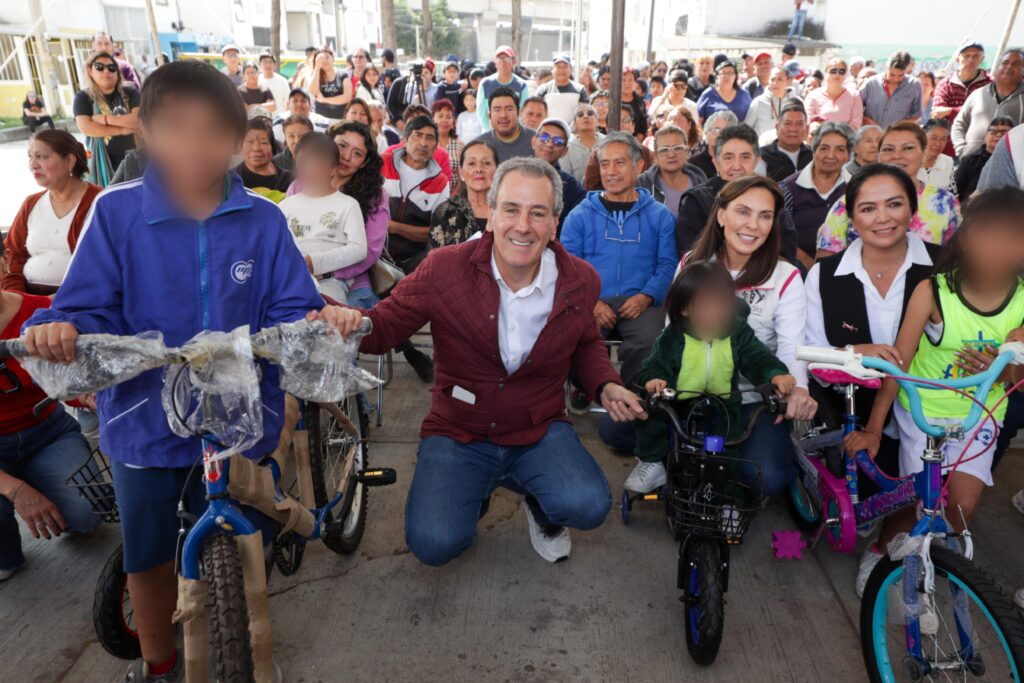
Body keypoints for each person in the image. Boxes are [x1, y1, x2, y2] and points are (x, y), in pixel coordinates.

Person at [21, 59, 328, 683]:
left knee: (246, 535)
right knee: (149, 555)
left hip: (241, 412)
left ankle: (240, 630)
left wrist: (314, 322)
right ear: (146, 133)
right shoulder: (117, 213)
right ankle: (158, 662)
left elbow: (292, 304)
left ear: (237, 137)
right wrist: (58, 326)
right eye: (176, 127)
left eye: (213, 130)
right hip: (143, 418)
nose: (195, 144)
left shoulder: (263, 219)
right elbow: (83, 304)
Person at [323, 157, 646, 566]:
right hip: (459, 430)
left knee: (588, 506)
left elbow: (585, 343)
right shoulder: (444, 268)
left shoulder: (580, 280)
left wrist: (605, 383)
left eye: (538, 213)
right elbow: (385, 325)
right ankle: (474, 491)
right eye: (511, 209)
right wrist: (342, 316)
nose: (523, 225)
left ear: (554, 223)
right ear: (491, 215)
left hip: (537, 427)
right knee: (434, 544)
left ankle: (537, 500)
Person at [845, 187, 1024, 595]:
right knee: (918, 499)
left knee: (962, 507)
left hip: (979, 413)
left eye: (1014, 236)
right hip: (922, 409)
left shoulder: (1021, 300)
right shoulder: (934, 291)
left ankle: (933, 554)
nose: (999, 248)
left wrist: (1002, 371)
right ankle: (882, 549)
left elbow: (1019, 374)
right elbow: (899, 361)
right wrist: (874, 429)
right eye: (989, 233)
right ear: (966, 235)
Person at [803, 164, 939, 594]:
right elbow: (810, 352)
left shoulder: (944, 268)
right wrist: (857, 351)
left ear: (912, 210)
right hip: (853, 406)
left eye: (894, 204)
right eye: (868, 208)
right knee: (862, 494)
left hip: (927, 402)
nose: (882, 218)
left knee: (930, 491)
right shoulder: (825, 275)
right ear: (851, 217)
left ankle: (883, 551)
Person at [680, 175, 816, 495]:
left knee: (767, 477)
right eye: (743, 211)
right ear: (721, 215)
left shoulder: (786, 276)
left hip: (756, 398)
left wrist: (797, 390)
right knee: (625, 433)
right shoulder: (692, 263)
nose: (753, 225)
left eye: (765, 216)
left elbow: (791, 345)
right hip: (696, 389)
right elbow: (673, 332)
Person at [626, 260, 796, 493]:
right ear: (685, 309)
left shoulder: (737, 331)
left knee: (731, 443)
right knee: (653, 416)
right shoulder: (675, 334)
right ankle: (651, 462)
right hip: (678, 399)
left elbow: (757, 357)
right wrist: (654, 378)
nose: (715, 313)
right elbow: (655, 362)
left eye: (722, 305)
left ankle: (729, 496)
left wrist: (776, 374)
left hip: (723, 400)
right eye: (704, 306)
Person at [0, 262, 101, 582]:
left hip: (46, 432)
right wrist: (17, 491)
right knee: (4, 563)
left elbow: (67, 380)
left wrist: (87, 394)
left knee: (89, 513)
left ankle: (40, 478)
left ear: (2, 263)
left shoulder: (42, 313)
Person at [561, 133, 677, 388]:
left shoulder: (660, 215)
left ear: (639, 166)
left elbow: (668, 264)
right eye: (605, 164)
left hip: (642, 302)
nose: (611, 171)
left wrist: (646, 296)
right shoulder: (579, 215)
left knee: (651, 341)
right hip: (591, 300)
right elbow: (568, 266)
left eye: (619, 163)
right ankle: (589, 388)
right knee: (575, 335)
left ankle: (632, 396)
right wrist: (591, 302)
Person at [817, 121, 960, 256]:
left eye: (907, 148)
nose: (897, 156)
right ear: (878, 156)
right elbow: (826, 259)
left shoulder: (946, 203)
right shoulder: (850, 201)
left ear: (924, 154)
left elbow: (956, 260)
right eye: (888, 149)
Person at [676, 123, 798, 260]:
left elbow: (786, 253)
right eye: (728, 157)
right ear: (715, 162)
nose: (737, 166)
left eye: (745, 157)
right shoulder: (697, 201)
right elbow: (691, 257)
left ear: (757, 161)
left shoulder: (771, 200)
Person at [4, 131, 101, 294]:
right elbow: (10, 255)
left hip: (81, 298)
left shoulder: (100, 201)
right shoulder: (31, 203)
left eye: (41, 156)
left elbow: (109, 263)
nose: (33, 165)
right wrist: (18, 297)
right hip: (28, 295)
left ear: (69, 161)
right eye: (30, 157)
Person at [278, 133, 367, 304]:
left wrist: (314, 262)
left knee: (328, 314)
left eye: (318, 163)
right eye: (304, 162)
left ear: (333, 169)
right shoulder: (285, 206)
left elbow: (359, 249)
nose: (310, 169)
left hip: (329, 280)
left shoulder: (348, 205)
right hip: (289, 278)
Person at [327, 121, 389, 309]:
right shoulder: (300, 185)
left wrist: (327, 272)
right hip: (301, 277)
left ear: (364, 163)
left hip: (353, 285)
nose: (346, 156)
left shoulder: (375, 196)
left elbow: (370, 250)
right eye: (342, 146)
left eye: (357, 154)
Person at [383, 115, 450, 281]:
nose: (423, 143)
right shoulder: (382, 164)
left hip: (416, 261)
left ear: (436, 146)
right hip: (377, 255)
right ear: (405, 140)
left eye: (430, 138)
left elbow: (437, 233)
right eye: (418, 135)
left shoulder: (440, 182)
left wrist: (394, 227)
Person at [779, 121, 852, 269]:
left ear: (848, 156)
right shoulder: (788, 188)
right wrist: (806, 261)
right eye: (824, 148)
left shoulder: (856, 189)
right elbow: (778, 235)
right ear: (814, 151)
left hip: (846, 264)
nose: (831, 155)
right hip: (796, 263)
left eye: (840, 149)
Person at [73, 51, 140, 187]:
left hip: (137, 161)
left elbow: (139, 121)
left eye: (111, 67)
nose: (106, 71)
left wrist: (105, 120)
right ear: (90, 71)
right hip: (103, 163)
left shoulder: (130, 92)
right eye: (99, 67)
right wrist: (122, 130)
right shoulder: (83, 97)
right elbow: (87, 127)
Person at [951, 48, 1024, 157]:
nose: (1009, 66)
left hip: (1008, 164)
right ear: (996, 68)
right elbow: (959, 124)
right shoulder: (978, 94)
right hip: (970, 162)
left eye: (1016, 64)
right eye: (1005, 62)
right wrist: (962, 150)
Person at [430, 141, 498, 248]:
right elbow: (435, 255)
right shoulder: (445, 212)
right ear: (461, 172)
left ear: (497, 171)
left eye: (486, 163)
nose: (479, 169)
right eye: (471, 163)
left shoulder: (509, 209)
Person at [636, 125, 707, 219]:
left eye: (677, 148)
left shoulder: (700, 181)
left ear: (686, 151)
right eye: (664, 150)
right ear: (656, 156)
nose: (671, 155)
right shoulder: (641, 184)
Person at [529, 118, 586, 234]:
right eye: (544, 137)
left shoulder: (572, 188)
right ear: (534, 142)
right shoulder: (513, 176)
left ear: (565, 151)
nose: (549, 144)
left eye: (558, 141)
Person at [932, 43, 990, 156]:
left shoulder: (990, 84)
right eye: (966, 55)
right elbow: (937, 113)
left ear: (982, 59)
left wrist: (950, 111)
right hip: (948, 147)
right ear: (958, 59)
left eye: (975, 56)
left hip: (979, 148)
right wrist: (972, 111)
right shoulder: (945, 84)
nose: (971, 60)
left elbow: (986, 112)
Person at [472, 87, 536, 163]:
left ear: (518, 112)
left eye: (509, 109)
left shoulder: (537, 140)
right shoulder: (478, 145)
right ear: (489, 115)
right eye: (497, 110)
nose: (503, 115)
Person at [235, 117, 294, 198]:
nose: (256, 148)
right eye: (250, 141)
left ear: (272, 147)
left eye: (263, 142)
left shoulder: (289, 180)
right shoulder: (231, 180)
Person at [860, 51, 922, 128]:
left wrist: (898, 128)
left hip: (898, 134)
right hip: (871, 132)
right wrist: (869, 123)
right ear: (886, 68)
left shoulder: (914, 85)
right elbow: (856, 108)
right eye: (892, 74)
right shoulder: (871, 84)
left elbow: (916, 115)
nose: (896, 79)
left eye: (901, 75)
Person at [956, 116, 1013, 198]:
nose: (999, 135)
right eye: (993, 131)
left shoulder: (1016, 161)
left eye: (1004, 132)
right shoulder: (970, 160)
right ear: (985, 135)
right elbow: (957, 191)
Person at [477, 46, 530, 132]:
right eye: (499, 59)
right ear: (495, 63)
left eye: (507, 59)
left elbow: (523, 112)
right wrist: (489, 131)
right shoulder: (485, 83)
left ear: (513, 62)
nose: (503, 63)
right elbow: (481, 112)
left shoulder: (521, 85)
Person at [804, 58, 864, 128]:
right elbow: (809, 122)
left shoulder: (854, 95)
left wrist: (839, 134)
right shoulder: (813, 95)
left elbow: (856, 123)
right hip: (819, 134)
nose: (837, 74)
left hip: (847, 134)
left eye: (842, 71)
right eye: (833, 71)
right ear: (826, 73)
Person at [760, 102, 813, 181]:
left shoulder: (813, 155)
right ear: (777, 128)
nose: (793, 129)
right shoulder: (762, 156)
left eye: (799, 124)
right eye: (788, 123)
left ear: (807, 129)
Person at [744, 66, 801, 139]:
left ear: (788, 81)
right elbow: (746, 129)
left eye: (780, 79)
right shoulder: (758, 102)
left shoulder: (797, 103)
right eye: (772, 79)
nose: (775, 83)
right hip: (763, 145)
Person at [687, 110, 737, 179]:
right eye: (716, 130)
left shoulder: (738, 162)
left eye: (725, 131)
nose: (720, 135)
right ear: (707, 132)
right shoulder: (693, 164)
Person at [309, 49, 353, 123]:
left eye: (326, 57)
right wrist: (317, 67)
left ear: (332, 58)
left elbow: (347, 97)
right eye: (321, 58)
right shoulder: (315, 75)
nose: (324, 60)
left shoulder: (343, 74)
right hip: (321, 120)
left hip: (340, 119)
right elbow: (313, 91)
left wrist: (324, 100)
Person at [563, 104, 603, 184]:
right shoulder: (567, 148)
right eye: (580, 115)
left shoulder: (607, 142)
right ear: (574, 124)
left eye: (590, 113)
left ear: (597, 121)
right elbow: (565, 179)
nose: (585, 116)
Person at [432, 99, 463, 191]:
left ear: (453, 122)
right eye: (440, 116)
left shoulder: (460, 145)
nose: (444, 120)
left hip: (455, 194)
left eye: (448, 117)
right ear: (432, 119)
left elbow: (462, 175)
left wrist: (454, 195)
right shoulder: (428, 144)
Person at [919, 118, 956, 194]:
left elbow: (952, 195)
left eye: (943, 139)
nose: (938, 144)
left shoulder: (947, 162)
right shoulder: (909, 162)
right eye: (933, 138)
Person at [621, 67, 650, 138]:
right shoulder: (611, 100)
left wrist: (636, 141)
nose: (627, 83)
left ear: (635, 82)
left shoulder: (640, 103)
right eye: (623, 80)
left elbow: (642, 128)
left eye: (630, 80)